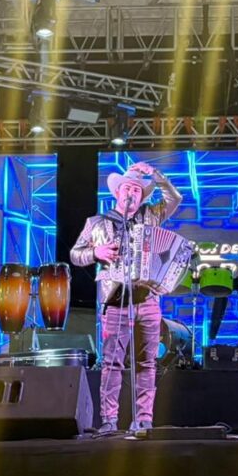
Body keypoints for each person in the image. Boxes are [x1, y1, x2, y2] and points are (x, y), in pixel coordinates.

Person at [70, 161, 182, 434]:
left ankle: (144, 420)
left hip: (147, 299)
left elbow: (174, 198)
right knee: (112, 364)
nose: (131, 192)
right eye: (127, 188)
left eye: (137, 189)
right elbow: (75, 254)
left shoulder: (151, 216)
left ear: (141, 196)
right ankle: (109, 420)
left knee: (146, 363)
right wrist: (96, 253)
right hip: (115, 300)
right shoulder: (97, 223)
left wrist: (155, 175)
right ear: (117, 192)